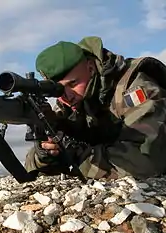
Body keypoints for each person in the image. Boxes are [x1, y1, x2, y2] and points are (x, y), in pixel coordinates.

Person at [24, 36, 166, 181]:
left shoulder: (133, 87)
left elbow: (146, 160)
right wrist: (44, 155)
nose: (67, 96)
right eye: (58, 90)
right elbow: (30, 162)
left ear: (91, 68)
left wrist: (78, 157)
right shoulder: (70, 103)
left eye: (73, 84)